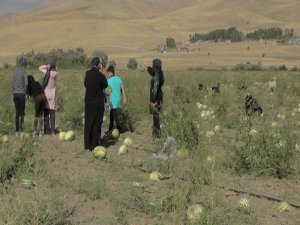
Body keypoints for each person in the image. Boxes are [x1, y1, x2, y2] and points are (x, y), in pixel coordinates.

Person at [84, 57, 108, 151]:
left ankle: (87, 144)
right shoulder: (100, 75)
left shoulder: (87, 74)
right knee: (96, 123)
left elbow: (85, 84)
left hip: (88, 102)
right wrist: (101, 72)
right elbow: (106, 87)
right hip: (98, 103)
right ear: (99, 65)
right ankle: (94, 144)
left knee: (89, 122)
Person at [144, 59, 164, 138]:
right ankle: (156, 133)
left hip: (156, 99)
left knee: (156, 116)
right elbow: (153, 72)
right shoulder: (159, 73)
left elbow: (154, 89)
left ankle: (157, 135)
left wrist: (152, 101)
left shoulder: (157, 76)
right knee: (156, 116)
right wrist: (148, 67)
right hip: (159, 97)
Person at [39, 59, 58, 137]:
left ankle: (46, 130)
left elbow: (40, 67)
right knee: (52, 113)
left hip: (46, 94)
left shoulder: (46, 72)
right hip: (52, 95)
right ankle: (53, 132)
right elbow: (56, 69)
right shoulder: (55, 73)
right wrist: (52, 66)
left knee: (46, 113)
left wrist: (46, 66)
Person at [105, 65, 127, 134]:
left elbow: (107, 92)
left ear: (109, 72)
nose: (107, 75)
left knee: (116, 117)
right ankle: (110, 129)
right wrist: (124, 98)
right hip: (118, 100)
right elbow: (122, 89)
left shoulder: (108, 81)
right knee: (112, 115)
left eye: (107, 73)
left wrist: (106, 100)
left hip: (113, 101)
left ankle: (120, 131)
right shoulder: (118, 79)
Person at [12, 54, 28, 136]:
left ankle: (16, 130)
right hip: (22, 94)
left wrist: (12, 94)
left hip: (15, 93)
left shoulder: (15, 72)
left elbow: (13, 84)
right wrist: (26, 93)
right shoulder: (24, 71)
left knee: (17, 112)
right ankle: (21, 130)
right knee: (22, 112)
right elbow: (26, 84)